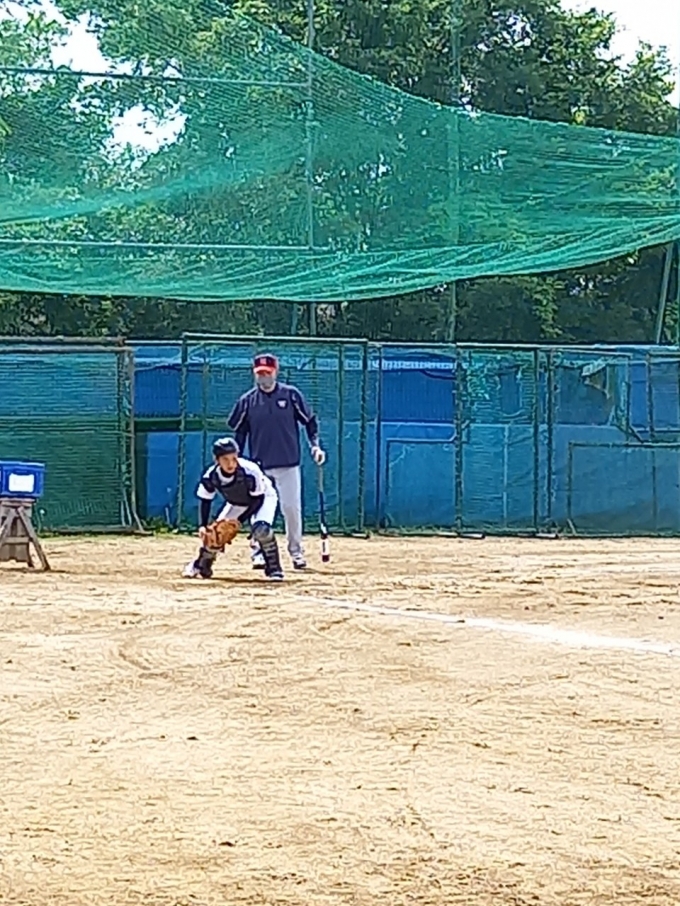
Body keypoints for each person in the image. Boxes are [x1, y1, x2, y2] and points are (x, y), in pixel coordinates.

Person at [227, 352, 326, 571]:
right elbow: (239, 432)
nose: (263, 377)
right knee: (259, 510)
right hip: (259, 467)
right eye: (260, 373)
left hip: (288, 463)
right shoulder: (247, 401)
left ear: (275, 372)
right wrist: (237, 460)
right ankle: (258, 552)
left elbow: (310, 421)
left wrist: (315, 446)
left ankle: (296, 552)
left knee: (291, 509)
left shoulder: (291, 395)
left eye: (267, 373)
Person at [182, 437, 284, 581]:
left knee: (261, 529)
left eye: (234, 458)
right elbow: (205, 500)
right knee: (216, 533)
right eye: (225, 459)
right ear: (217, 460)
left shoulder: (250, 471)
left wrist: (239, 521)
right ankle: (201, 565)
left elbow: (257, 499)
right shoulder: (211, 476)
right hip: (238, 502)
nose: (230, 463)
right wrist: (203, 526)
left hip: (263, 497)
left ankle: (274, 568)